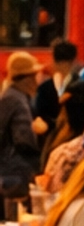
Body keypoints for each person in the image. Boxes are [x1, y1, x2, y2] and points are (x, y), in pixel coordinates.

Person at [0, 49, 45, 200]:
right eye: (34, 76)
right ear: (26, 78)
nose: (37, 81)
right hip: (15, 174)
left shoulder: (13, 96)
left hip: (11, 172)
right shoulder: (15, 99)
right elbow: (24, 139)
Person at [34, 37, 79, 136]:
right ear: (73, 60)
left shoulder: (44, 88)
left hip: (49, 137)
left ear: (53, 59)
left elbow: (38, 115)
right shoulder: (81, 86)